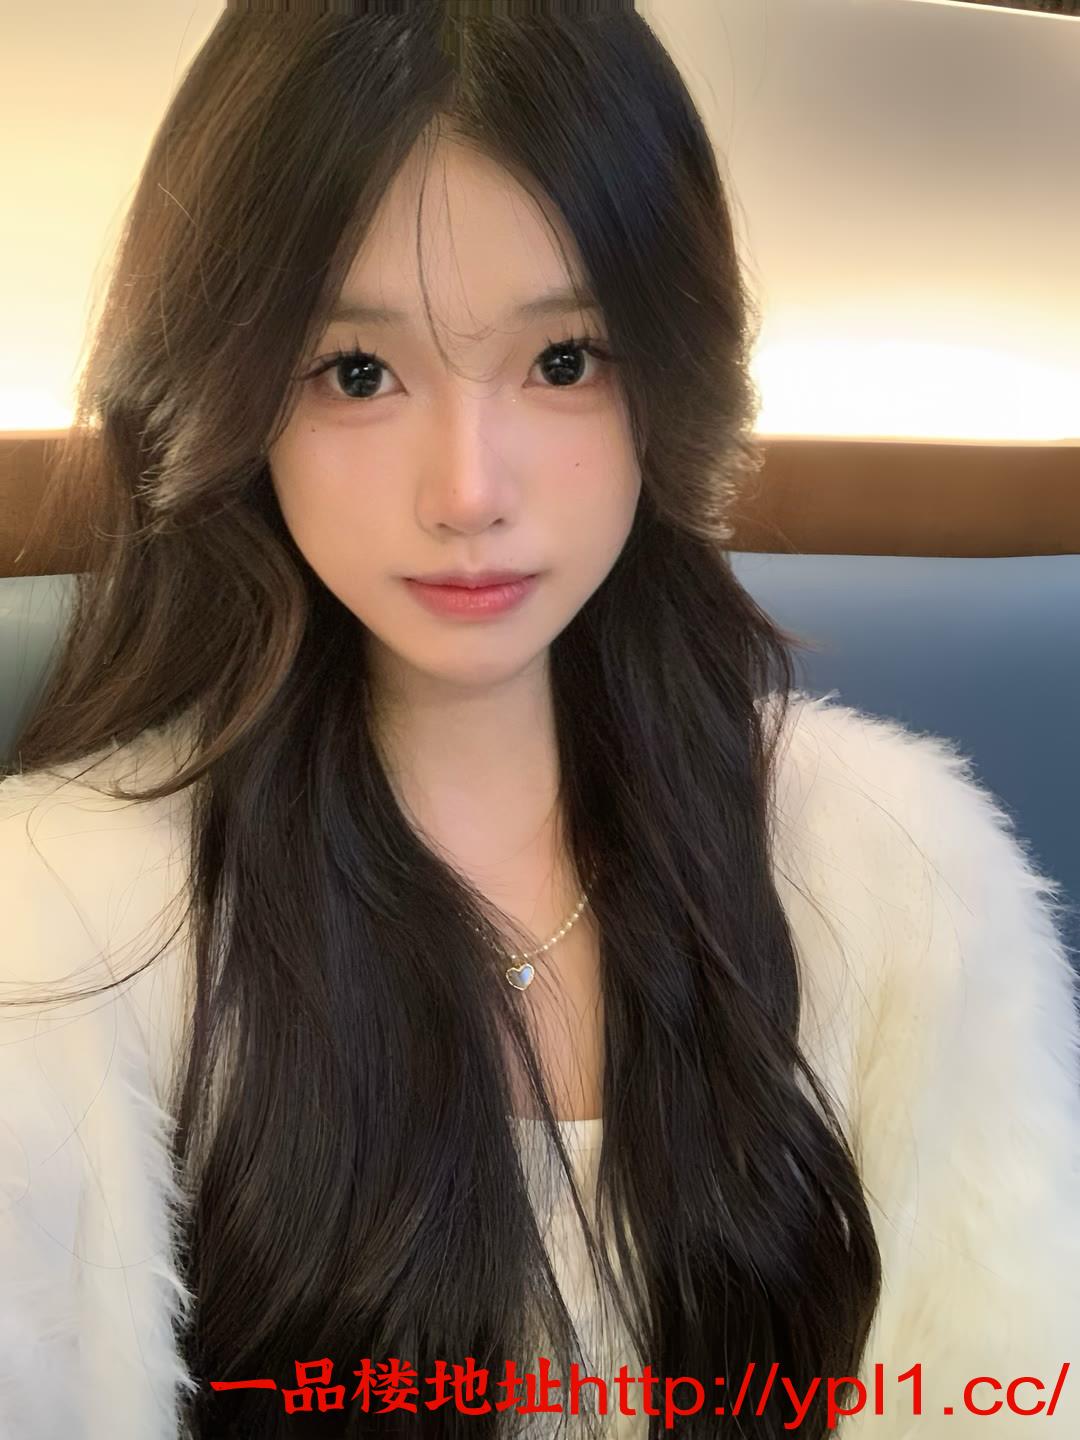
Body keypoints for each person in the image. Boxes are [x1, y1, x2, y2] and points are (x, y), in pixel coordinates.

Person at [1, 1, 1078, 1437]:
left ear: (669, 377)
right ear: (235, 392)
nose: (470, 490)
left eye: (564, 360)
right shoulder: (60, 935)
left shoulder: (891, 876)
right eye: (358, 372)